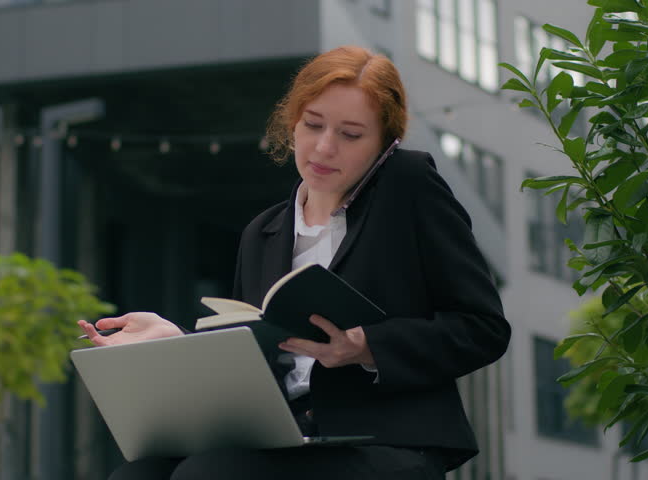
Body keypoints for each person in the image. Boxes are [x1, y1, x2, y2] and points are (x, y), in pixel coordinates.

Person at [78, 45, 511, 480]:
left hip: (388, 439)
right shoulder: (262, 232)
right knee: (136, 475)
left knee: (212, 472)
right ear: (292, 123)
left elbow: (484, 328)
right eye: (313, 125)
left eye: (351, 134)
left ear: (385, 144)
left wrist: (367, 347)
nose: (324, 148)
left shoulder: (409, 186)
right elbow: (253, 347)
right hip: (291, 436)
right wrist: (175, 340)